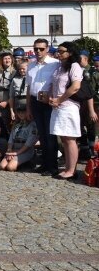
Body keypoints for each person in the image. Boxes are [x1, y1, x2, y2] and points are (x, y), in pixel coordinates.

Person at [47, 41, 83, 180]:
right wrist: (51, 98)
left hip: (68, 106)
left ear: (70, 53)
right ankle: (68, 166)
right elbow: (54, 85)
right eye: (58, 51)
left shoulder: (74, 66)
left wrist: (59, 100)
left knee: (70, 139)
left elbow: (75, 86)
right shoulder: (59, 67)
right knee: (63, 138)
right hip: (58, 107)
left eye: (62, 51)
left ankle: (72, 170)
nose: (58, 53)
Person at [26, 38, 61, 175]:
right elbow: (29, 88)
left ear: (47, 49)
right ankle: (45, 164)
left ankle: (53, 167)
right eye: (36, 49)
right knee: (42, 135)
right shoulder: (31, 65)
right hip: (35, 101)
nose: (38, 51)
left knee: (50, 135)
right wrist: (29, 107)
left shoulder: (55, 64)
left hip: (48, 102)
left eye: (41, 49)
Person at [0, 106, 38, 172]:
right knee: (2, 166)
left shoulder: (32, 125)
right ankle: (20, 163)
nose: (21, 114)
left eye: (23, 112)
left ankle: (27, 162)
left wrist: (16, 153)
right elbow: (11, 139)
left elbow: (29, 142)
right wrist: (9, 151)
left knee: (10, 167)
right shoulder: (16, 124)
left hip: (26, 150)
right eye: (19, 112)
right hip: (14, 148)